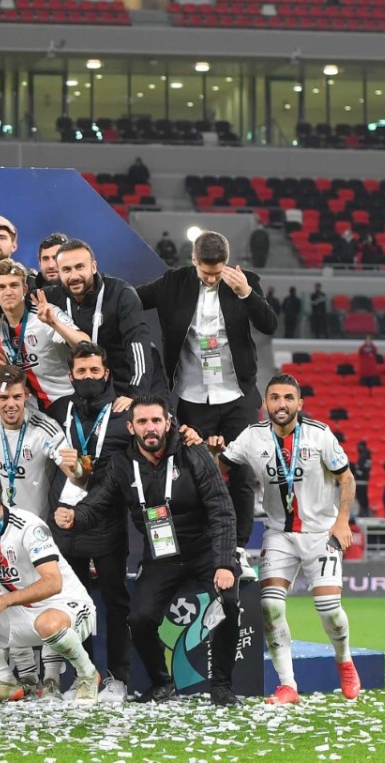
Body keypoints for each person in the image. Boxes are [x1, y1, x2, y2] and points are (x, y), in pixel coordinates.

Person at [55, 393, 240, 705]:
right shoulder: (122, 464)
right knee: (138, 617)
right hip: (161, 556)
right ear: (131, 427)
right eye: (142, 421)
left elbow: (222, 509)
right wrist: (75, 517)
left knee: (229, 601)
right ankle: (161, 681)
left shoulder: (193, 453)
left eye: (156, 420)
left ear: (168, 423)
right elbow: (97, 502)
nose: (150, 427)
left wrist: (224, 563)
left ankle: (222, 686)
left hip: (204, 550)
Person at [136, 230, 278, 575]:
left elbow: (269, 324)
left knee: (241, 473)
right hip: (193, 396)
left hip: (237, 395)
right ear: (194, 261)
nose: (213, 278)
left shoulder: (245, 282)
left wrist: (246, 293)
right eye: (206, 272)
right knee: (191, 474)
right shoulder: (174, 283)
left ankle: (238, 549)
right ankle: (198, 549)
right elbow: (131, 300)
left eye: (218, 272)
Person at [213, 374, 360, 704]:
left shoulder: (320, 434)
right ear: (265, 404)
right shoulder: (252, 436)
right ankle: (287, 685)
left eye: (289, 398)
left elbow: (347, 479)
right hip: (279, 533)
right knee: (270, 606)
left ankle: (345, 661)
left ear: (300, 403)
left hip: (320, 533)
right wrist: (211, 452)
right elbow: (216, 469)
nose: (282, 404)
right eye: (275, 398)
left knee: (329, 610)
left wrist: (341, 521)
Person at [0, 467, 101, 703]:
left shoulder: (28, 526)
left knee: (47, 623)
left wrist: (3, 600)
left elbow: (53, 582)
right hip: (20, 612)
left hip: (65, 607)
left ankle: (87, 674)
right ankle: (4, 679)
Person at [45, 342, 134, 702]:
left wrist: (136, 397)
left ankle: (118, 678)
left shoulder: (124, 412)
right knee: (76, 604)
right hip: (67, 522)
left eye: (95, 371)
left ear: (106, 374)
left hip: (108, 520)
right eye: (81, 372)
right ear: (71, 376)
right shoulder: (59, 410)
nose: (88, 377)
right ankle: (84, 677)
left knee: (115, 603)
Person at [48, 239, 153, 409]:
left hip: (123, 388)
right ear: (58, 273)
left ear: (93, 267)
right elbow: (17, 295)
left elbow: (138, 346)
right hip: (84, 390)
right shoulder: (53, 296)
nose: (74, 276)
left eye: (79, 267)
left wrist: (136, 394)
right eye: (66, 270)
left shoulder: (120, 294)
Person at [0, 365, 70, 523]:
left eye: (16, 396)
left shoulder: (45, 429)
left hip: (39, 522)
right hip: (4, 521)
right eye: (3, 398)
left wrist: (78, 471)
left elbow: (72, 472)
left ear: (26, 394)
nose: (11, 404)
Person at [0, 260, 88, 410]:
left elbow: (86, 345)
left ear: (25, 289)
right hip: (31, 411)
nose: (8, 292)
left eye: (14, 285)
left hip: (67, 400)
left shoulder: (45, 312)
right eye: (1, 287)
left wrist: (54, 323)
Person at [350, 441, 372, 518]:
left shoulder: (363, 456)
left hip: (360, 480)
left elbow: (360, 469)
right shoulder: (368, 456)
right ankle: (365, 512)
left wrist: (354, 467)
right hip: (365, 480)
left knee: (361, 497)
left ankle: (363, 512)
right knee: (364, 497)